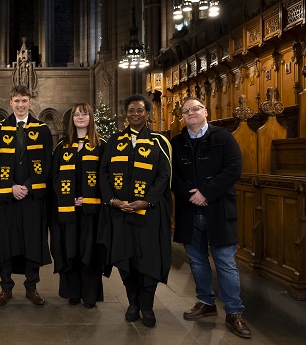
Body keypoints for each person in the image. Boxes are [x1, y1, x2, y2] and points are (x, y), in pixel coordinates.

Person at [171, 97, 251, 339]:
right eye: (186, 111)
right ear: (182, 117)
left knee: (225, 263)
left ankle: (234, 312)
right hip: (189, 211)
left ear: (205, 111)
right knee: (196, 261)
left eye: (195, 109)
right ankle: (206, 302)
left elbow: (233, 168)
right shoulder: (176, 142)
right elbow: (170, 175)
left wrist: (206, 192)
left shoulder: (223, 137)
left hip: (218, 210)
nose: (190, 113)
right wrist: (190, 195)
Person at [98, 94, 172, 328]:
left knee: (147, 262)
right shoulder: (114, 140)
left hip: (148, 215)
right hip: (121, 213)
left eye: (140, 110)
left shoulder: (160, 141)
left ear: (147, 113)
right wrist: (112, 200)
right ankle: (133, 303)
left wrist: (146, 201)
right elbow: (104, 173)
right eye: (131, 110)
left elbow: (164, 176)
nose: (135, 114)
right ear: (126, 114)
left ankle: (147, 307)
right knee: (126, 261)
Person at [0, 85, 52, 306]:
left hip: (32, 197)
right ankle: (6, 288)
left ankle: (31, 287)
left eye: (24, 101)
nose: (21, 105)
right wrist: (10, 185)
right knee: (6, 241)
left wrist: (28, 185)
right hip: (7, 197)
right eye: (17, 101)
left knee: (32, 241)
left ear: (30, 102)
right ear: (11, 102)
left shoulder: (42, 129)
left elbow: (47, 162)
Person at [50, 103, 106, 308]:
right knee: (69, 250)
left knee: (89, 252)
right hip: (69, 210)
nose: (80, 117)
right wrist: (68, 198)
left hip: (92, 211)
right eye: (76, 114)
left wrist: (89, 198)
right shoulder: (62, 146)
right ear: (71, 119)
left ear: (90, 117)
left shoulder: (101, 145)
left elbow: (104, 176)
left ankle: (90, 295)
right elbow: (54, 176)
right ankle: (72, 292)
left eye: (84, 113)